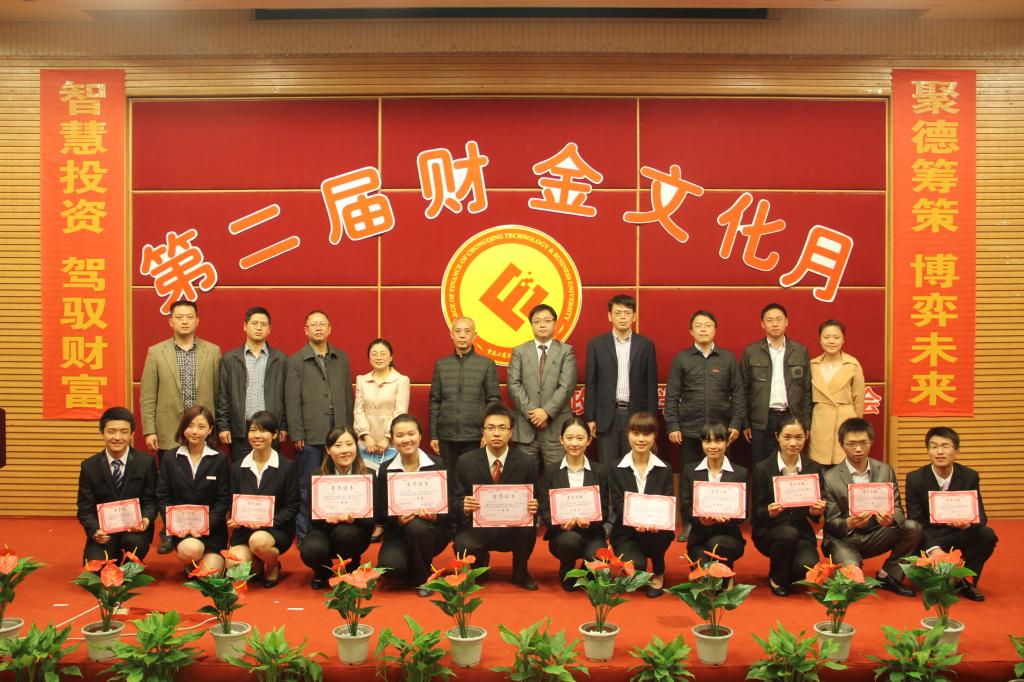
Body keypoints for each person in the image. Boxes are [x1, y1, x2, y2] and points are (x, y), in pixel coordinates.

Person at [140, 299, 221, 554]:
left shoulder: (212, 351)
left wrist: (217, 427)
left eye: (189, 317)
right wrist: (150, 429)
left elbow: (219, 393)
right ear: (170, 321)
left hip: (203, 426)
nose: (184, 321)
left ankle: (203, 527)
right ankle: (169, 531)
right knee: (171, 482)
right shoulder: (156, 352)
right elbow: (148, 394)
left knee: (200, 481)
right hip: (168, 428)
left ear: (197, 321)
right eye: (179, 317)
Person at [664, 310, 745, 541]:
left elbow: (738, 394)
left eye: (707, 325)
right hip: (690, 431)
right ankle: (691, 524)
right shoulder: (682, 358)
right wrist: (673, 425)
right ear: (691, 331)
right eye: (698, 325)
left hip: (721, 433)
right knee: (691, 478)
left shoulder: (727, 358)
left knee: (721, 476)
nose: (703, 329)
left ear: (715, 330)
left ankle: (725, 519)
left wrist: (736, 423)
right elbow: (672, 395)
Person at [822, 418, 920, 597]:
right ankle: (851, 565)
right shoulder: (830, 477)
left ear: (871, 442)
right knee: (851, 584)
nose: (858, 449)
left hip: (877, 533)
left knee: (912, 528)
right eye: (852, 444)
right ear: (841, 444)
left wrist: (890, 520)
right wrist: (849, 523)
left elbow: (898, 510)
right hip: (844, 539)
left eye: (863, 443)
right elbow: (831, 522)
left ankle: (889, 575)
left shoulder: (885, 470)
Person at [452, 402, 540, 590]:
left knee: (528, 529)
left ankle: (520, 571)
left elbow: (537, 499)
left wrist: (535, 506)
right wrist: (464, 506)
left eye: (502, 428)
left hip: (513, 528)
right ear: (483, 432)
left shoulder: (526, 462)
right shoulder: (465, 462)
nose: (496, 433)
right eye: (490, 428)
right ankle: (479, 566)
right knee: (463, 543)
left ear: (511, 432)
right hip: (477, 528)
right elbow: (454, 501)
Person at [904, 427, 998, 601]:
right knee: (933, 583)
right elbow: (915, 521)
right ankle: (937, 573)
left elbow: (981, 516)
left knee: (987, 535)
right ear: (928, 451)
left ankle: (965, 580)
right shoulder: (915, 479)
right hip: (928, 537)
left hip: (957, 535)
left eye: (945, 446)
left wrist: (968, 524)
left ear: (956, 451)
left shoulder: (970, 476)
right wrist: (934, 550)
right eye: (934, 446)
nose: (939, 452)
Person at [286, 309, 354, 542]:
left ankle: (337, 532)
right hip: (310, 432)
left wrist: (349, 430)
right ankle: (305, 533)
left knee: (339, 484)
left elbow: (347, 396)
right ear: (306, 330)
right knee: (308, 485)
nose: (318, 328)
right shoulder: (296, 360)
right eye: (313, 325)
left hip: (339, 431)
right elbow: (291, 400)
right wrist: (297, 432)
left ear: (329, 329)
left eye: (322, 324)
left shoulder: (341, 358)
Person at [375, 414, 451, 597]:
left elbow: (450, 505)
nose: (406, 439)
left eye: (411, 434)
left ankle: (423, 580)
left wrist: (435, 516)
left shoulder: (438, 464)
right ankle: (414, 563)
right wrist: (398, 520)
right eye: (400, 435)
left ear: (420, 435)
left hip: (431, 531)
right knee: (391, 569)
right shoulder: (385, 469)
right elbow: (380, 511)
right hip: (398, 533)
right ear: (393, 439)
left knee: (417, 527)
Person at [751, 413, 825, 596]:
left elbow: (815, 516)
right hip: (770, 532)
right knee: (787, 534)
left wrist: (816, 512)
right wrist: (769, 512)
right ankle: (777, 577)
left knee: (806, 568)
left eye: (799, 437)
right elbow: (756, 513)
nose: (793, 443)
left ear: (807, 436)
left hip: (801, 532)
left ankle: (789, 569)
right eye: (787, 437)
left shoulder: (813, 468)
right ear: (777, 437)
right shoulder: (762, 469)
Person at [584, 294, 659, 473]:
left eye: (627, 313)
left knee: (633, 467)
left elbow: (651, 386)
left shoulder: (646, 345)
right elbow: (591, 384)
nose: (623, 317)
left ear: (634, 316)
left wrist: (651, 420)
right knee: (607, 467)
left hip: (636, 415)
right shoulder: (596, 344)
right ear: (610, 316)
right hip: (606, 416)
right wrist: (590, 418)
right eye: (618, 313)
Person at [226, 410, 299, 588]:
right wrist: (235, 519)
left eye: (263, 430)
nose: (257, 435)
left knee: (258, 541)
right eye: (253, 430)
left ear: (274, 434)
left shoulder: (287, 467)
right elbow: (232, 502)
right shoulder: (237, 468)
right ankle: (257, 562)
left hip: (275, 530)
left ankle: (272, 564)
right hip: (244, 530)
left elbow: (292, 506)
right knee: (234, 566)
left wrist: (266, 522)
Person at [156, 405, 231, 575]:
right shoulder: (170, 457)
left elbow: (223, 500)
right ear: (183, 428)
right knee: (192, 550)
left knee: (211, 577)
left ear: (210, 430)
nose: (195, 431)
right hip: (183, 531)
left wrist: (207, 526)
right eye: (190, 426)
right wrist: (174, 525)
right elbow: (162, 496)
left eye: (201, 426)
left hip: (212, 531)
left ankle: (200, 563)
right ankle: (191, 562)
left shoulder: (219, 459)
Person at [76, 407, 158, 562]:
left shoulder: (146, 462)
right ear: (102, 433)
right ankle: (112, 553)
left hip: (134, 531)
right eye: (111, 431)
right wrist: (95, 531)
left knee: (135, 545)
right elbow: (85, 508)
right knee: (95, 568)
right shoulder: (89, 466)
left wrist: (146, 519)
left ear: (132, 434)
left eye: (124, 432)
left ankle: (130, 560)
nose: (117, 437)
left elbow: (151, 501)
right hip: (105, 533)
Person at [538, 416, 609, 592]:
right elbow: (545, 509)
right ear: (561, 440)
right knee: (571, 541)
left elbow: (605, 508)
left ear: (589, 441)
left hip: (592, 532)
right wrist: (561, 525)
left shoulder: (600, 471)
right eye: (569, 438)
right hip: (562, 535)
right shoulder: (551, 471)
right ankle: (567, 568)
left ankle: (586, 567)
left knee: (597, 561)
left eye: (580, 438)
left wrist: (591, 522)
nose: (574, 443)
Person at [299, 426, 376, 590]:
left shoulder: (368, 475)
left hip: (354, 533)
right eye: (338, 445)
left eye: (349, 444)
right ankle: (323, 571)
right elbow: (312, 519)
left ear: (356, 446)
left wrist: (355, 518)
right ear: (328, 450)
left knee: (345, 533)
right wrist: (327, 520)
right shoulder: (317, 476)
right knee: (310, 550)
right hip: (323, 531)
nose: (345, 450)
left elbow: (372, 520)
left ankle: (352, 567)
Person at [608, 411, 674, 598]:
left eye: (647, 434)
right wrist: (636, 520)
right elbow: (618, 504)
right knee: (637, 566)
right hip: (626, 533)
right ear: (628, 435)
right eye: (636, 433)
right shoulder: (615, 467)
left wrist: (654, 521)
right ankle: (638, 564)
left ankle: (659, 570)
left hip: (657, 532)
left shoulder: (665, 468)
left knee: (658, 533)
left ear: (655, 436)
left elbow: (667, 502)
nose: (641, 439)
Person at [507, 303, 578, 471]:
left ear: (555, 323)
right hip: (526, 428)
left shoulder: (566, 351)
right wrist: (534, 414)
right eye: (537, 321)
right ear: (531, 324)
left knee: (557, 477)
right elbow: (513, 384)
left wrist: (546, 412)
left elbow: (567, 386)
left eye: (547, 320)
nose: (542, 325)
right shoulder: (519, 351)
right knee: (524, 476)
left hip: (556, 427)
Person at [428, 317, 501, 480]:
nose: (462, 335)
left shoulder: (486, 364)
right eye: (458, 331)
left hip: (475, 436)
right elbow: (435, 401)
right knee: (448, 481)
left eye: (467, 331)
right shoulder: (441, 365)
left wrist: (487, 433)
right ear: (451, 335)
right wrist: (434, 435)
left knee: (473, 480)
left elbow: (493, 401)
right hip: (446, 437)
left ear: (474, 336)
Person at [741, 303, 811, 467]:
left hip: (791, 417)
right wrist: (746, 423)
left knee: (790, 464)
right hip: (762, 419)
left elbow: (807, 391)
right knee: (761, 466)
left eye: (779, 319)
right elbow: (743, 390)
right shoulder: (751, 351)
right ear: (762, 324)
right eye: (770, 320)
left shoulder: (800, 350)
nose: (774, 324)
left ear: (786, 322)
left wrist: (805, 423)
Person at [217, 306, 288, 463]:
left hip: (270, 429)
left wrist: (283, 426)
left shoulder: (280, 359)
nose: (259, 327)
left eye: (263, 324)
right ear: (245, 326)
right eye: (254, 323)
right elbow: (223, 396)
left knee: (270, 473)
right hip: (241, 431)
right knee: (242, 472)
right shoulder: (230, 359)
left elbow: (286, 396)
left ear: (269, 329)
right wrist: (223, 426)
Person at [679, 422, 747, 569]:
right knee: (704, 576)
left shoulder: (740, 473)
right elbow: (685, 509)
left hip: (728, 538)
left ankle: (727, 572)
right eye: (707, 441)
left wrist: (728, 518)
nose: (713, 446)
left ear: (727, 442)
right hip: (699, 538)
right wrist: (701, 520)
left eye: (719, 440)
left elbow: (744, 514)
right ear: (702, 443)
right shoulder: (690, 471)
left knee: (717, 545)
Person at [809, 320, 866, 466]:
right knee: (819, 467)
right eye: (826, 337)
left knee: (845, 466)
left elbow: (859, 399)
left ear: (843, 340)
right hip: (820, 423)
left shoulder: (852, 364)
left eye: (836, 337)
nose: (831, 341)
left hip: (845, 421)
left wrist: (855, 427)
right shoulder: (812, 365)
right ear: (820, 340)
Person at [354, 338, 410, 472]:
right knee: (367, 479)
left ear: (391, 357)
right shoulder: (362, 380)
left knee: (389, 479)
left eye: (383, 353)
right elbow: (358, 410)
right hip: (366, 443)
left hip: (392, 442)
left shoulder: (401, 380)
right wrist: (366, 436)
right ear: (369, 358)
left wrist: (387, 438)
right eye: (374, 354)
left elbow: (400, 412)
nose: (378, 357)